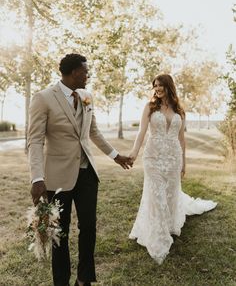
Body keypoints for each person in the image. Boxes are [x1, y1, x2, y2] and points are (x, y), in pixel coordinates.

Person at [28, 53, 133, 286]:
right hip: (57, 178)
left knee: (89, 228)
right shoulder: (43, 98)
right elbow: (35, 141)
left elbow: (93, 132)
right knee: (60, 233)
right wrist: (37, 178)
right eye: (86, 71)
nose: (88, 74)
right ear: (74, 72)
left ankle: (84, 279)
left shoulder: (87, 97)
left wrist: (115, 156)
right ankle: (61, 282)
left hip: (87, 174)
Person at [128, 74, 217, 264]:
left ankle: (167, 224)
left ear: (169, 86)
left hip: (173, 159)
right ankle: (158, 236)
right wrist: (134, 154)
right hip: (153, 158)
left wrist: (184, 162)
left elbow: (182, 140)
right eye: (155, 86)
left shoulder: (180, 111)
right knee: (157, 194)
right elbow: (141, 133)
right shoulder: (150, 107)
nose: (157, 89)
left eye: (160, 85)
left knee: (169, 194)